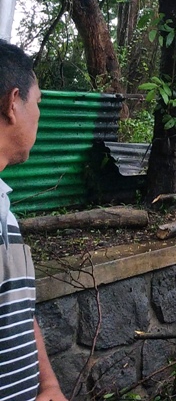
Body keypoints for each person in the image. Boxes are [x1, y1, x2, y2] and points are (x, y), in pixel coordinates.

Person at [0, 41, 69, 401]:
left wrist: (48, 385)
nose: (40, 114)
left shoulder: (4, 209)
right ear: (13, 103)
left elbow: (18, 311)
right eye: (38, 102)